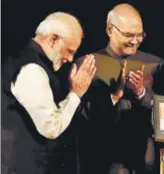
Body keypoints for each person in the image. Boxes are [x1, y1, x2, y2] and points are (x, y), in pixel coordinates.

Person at [1, 12, 96, 174]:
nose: (70, 59)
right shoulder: (32, 70)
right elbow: (50, 128)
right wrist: (75, 94)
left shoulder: (27, 60)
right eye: (70, 51)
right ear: (53, 39)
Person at [76, 3, 164, 174]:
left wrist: (141, 93)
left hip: (144, 159)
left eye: (140, 35)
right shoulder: (86, 64)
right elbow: (78, 115)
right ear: (110, 30)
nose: (135, 41)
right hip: (102, 159)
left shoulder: (155, 64)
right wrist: (114, 97)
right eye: (129, 35)